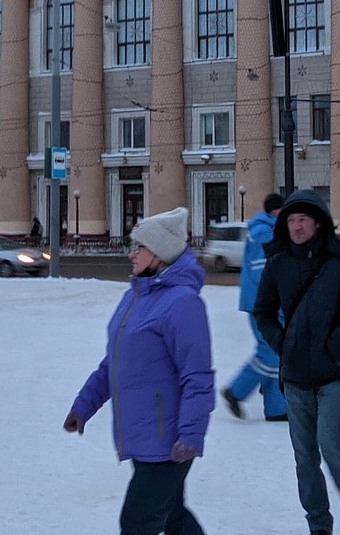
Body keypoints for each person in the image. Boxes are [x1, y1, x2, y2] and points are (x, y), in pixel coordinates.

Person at [63, 207, 214, 535]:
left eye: (138, 247)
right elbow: (113, 364)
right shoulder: (135, 297)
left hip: (169, 439)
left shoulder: (183, 303)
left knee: (137, 522)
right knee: (172, 515)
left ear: (159, 254)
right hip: (144, 433)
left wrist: (190, 435)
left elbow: (197, 377)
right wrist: (83, 406)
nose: (130, 254)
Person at [254, 189, 340, 535]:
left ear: (319, 223)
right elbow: (263, 312)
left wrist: (334, 345)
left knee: (332, 447)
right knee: (305, 459)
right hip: (295, 377)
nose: (296, 226)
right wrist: (282, 344)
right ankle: (318, 525)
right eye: (291, 220)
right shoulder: (278, 262)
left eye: (303, 219)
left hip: (334, 374)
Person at [222, 193, 288, 421]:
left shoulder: (266, 229)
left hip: (262, 302)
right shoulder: (265, 232)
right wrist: (276, 297)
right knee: (269, 352)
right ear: (275, 211)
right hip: (263, 303)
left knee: (276, 351)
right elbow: (263, 270)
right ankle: (236, 391)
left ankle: (277, 407)